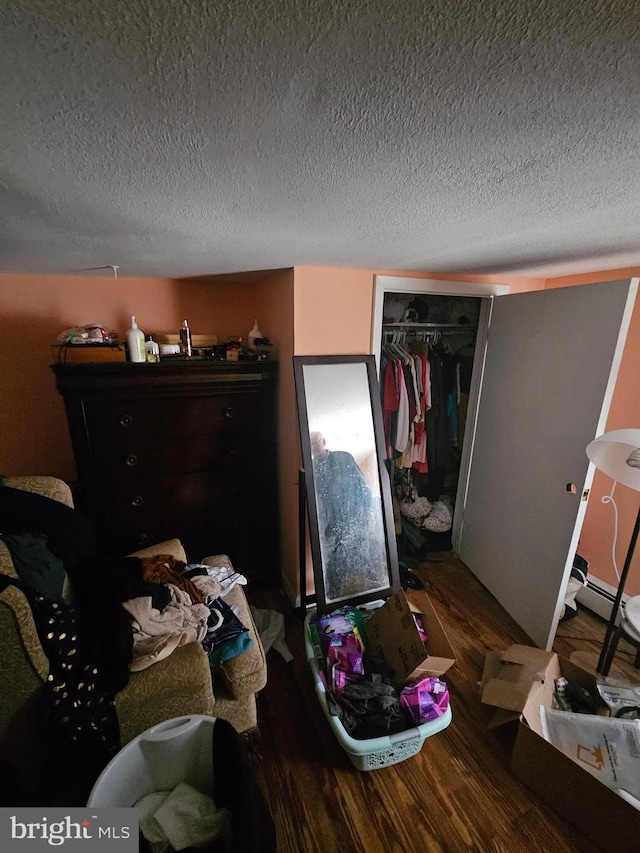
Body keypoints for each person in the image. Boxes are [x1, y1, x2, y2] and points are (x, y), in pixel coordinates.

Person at [309, 431, 387, 600]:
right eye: (311, 443)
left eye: (316, 441)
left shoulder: (343, 458)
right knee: (332, 567)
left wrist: (369, 511)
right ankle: (331, 602)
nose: (314, 445)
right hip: (330, 526)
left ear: (323, 441)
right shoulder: (311, 469)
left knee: (363, 558)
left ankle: (376, 596)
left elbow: (361, 484)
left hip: (354, 518)